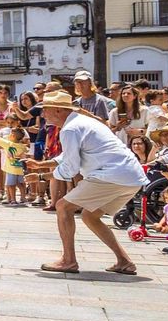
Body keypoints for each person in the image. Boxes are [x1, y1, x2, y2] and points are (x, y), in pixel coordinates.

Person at [28, 90, 145, 275]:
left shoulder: (70, 129)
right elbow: (70, 156)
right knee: (90, 216)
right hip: (131, 176)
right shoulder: (81, 122)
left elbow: (71, 168)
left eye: (45, 109)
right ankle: (124, 261)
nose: (43, 114)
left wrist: (42, 177)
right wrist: (42, 165)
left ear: (58, 110)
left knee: (63, 207)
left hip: (111, 175)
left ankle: (68, 260)